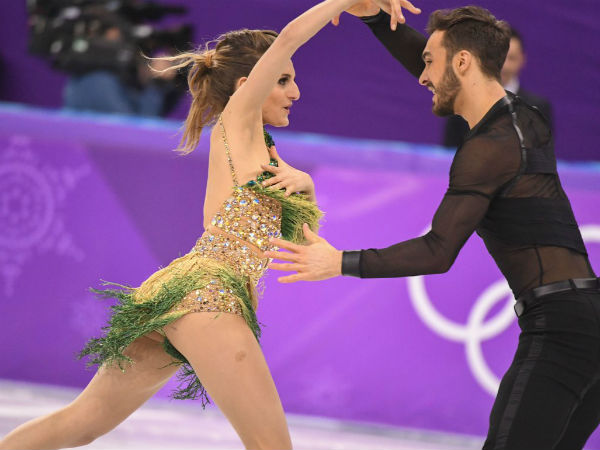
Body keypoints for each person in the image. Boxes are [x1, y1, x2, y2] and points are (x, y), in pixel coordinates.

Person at [0, 1, 394, 448]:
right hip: (210, 297)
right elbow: (288, 39)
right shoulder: (239, 121)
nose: (296, 92)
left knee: (82, 423)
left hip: (184, 291)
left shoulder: (267, 152)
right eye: (283, 79)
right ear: (248, 86)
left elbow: (304, 246)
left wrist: (307, 187)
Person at [267, 2, 600, 449]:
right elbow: (446, 74)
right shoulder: (528, 119)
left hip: (560, 327)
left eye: (429, 61)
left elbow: (437, 251)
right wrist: (373, 17)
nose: (422, 76)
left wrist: (339, 261)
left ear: (462, 62)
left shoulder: (486, 150)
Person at [443, 26, 553, 148]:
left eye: (511, 58)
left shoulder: (536, 108)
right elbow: (450, 153)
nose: (504, 66)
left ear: (522, 59)